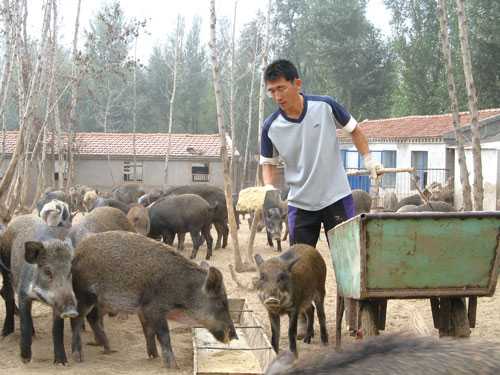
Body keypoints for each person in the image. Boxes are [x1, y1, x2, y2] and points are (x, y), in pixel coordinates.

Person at [260, 59, 381, 247]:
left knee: (350, 259)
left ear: (297, 84)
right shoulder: (270, 127)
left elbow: (355, 130)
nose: (277, 96)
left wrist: (368, 159)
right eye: (272, 91)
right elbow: (268, 163)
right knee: (298, 266)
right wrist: (268, 187)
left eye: (281, 88)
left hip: (336, 197)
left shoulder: (325, 105)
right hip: (300, 204)